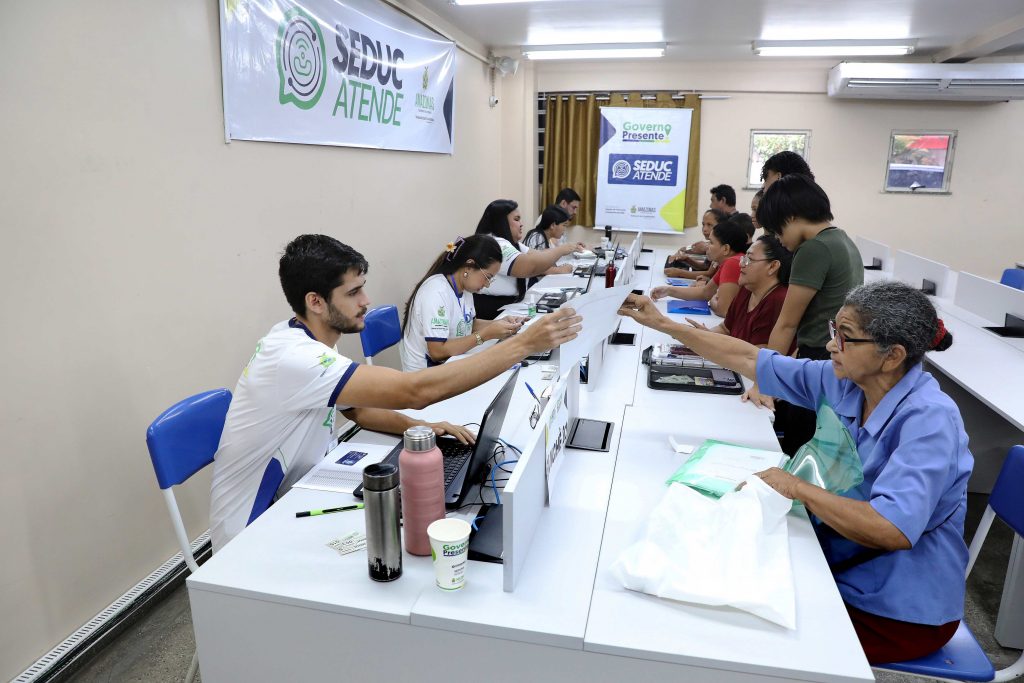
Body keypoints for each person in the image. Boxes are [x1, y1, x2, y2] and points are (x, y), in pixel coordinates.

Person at [619, 281, 969, 665]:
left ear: (892, 356)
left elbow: (891, 529)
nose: (832, 344)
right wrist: (664, 324)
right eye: (836, 330)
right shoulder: (848, 382)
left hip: (895, 607)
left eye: (846, 337)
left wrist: (797, 488)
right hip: (835, 557)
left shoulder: (930, 419)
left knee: (731, 636)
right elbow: (752, 360)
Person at [209, 234, 581, 551]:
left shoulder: (312, 343)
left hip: (298, 490)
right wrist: (521, 345)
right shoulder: (293, 357)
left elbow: (359, 411)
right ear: (315, 302)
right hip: (252, 528)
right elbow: (414, 389)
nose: (366, 300)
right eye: (353, 292)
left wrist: (420, 429)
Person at [751, 174, 864, 454]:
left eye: (777, 230)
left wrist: (763, 382)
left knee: (796, 447)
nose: (779, 239)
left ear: (790, 217)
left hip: (820, 360)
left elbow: (787, 323)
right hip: (836, 359)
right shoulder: (842, 239)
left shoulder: (813, 249)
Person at [400, 235, 526, 372]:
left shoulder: (464, 289)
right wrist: (485, 335)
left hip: (448, 364)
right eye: (487, 277)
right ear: (469, 266)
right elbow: (437, 351)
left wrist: (500, 323)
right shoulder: (436, 292)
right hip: (425, 375)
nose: (487, 285)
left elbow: (468, 324)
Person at [474, 199, 584, 319]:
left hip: (509, 303)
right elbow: (530, 266)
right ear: (501, 222)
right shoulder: (495, 244)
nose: (521, 224)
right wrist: (561, 250)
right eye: (516, 219)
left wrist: (563, 250)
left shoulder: (510, 242)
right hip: (493, 309)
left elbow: (536, 255)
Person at [687, 235, 793, 349]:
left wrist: (707, 339)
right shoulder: (747, 289)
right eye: (744, 258)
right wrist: (704, 335)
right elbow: (725, 329)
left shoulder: (779, 300)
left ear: (773, 266)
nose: (741, 264)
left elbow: (756, 354)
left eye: (749, 260)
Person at [650, 219, 748, 316]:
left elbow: (723, 310)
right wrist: (668, 290)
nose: (707, 247)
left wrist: (713, 297)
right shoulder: (729, 261)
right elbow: (705, 293)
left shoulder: (733, 263)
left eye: (711, 242)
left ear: (726, 249)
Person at [665, 208, 728, 280]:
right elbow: (705, 266)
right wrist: (687, 259)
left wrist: (680, 273)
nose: (704, 229)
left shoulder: (718, 247)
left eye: (709, 225)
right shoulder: (710, 244)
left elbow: (710, 274)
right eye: (703, 224)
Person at [523, 205, 575, 287]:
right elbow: (539, 269)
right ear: (553, 225)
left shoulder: (547, 239)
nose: (564, 229)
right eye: (564, 225)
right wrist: (561, 270)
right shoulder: (537, 238)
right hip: (531, 285)